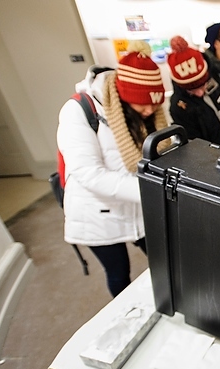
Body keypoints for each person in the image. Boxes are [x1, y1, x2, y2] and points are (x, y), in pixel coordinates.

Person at [56, 41, 168, 297]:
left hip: (138, 205)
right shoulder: (78, 110)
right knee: (119, 274)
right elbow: (88, 173)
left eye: (155, 103)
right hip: (97, 211)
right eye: (143, 104)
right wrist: (151, 190)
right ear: (125, 93)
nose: (150, 110)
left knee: (165, 260)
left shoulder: (150, 110)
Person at [167, 35, 220, 147]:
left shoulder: (219, 75)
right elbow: (195, 149)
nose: (199, 93)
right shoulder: (179, 108)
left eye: (202, 85)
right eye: (192, 90)